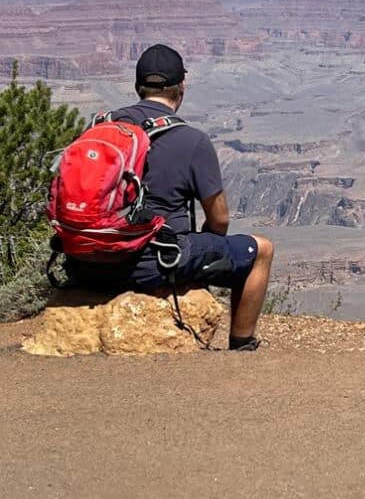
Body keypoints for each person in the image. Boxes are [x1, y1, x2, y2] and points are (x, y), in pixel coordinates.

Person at [65, 44, 273, 351]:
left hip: (84, 261)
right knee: (262, 251)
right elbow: (219, 219)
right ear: (181, 89)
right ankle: (242, 345)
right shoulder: (192, 140)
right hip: (153, 265)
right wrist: (202, 256)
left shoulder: (101, 126)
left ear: (137, 87)